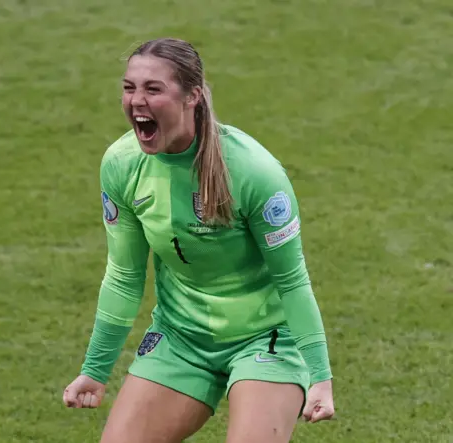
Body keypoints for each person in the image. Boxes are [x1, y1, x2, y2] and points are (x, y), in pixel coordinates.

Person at [62, 37, 335, 443]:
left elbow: (292, 281)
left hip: (268, 339)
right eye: (129, 87)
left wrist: (320, 376)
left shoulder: (254, 172)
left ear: (192, 96)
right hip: (181, 338)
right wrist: (96, 369)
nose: (137, 100)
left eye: (153, 89)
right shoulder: (121, 165)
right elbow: (123, 275)